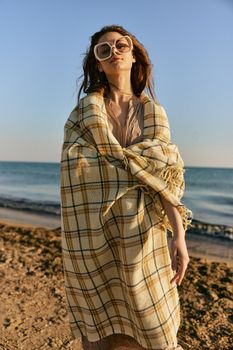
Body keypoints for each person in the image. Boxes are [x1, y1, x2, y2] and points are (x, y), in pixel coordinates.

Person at [60, 24, 192, 350]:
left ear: (134, 55)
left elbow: (165, 180)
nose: (114, 52)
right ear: (98, 64)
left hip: (143, 235)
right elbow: (75, 173)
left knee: (153, 326)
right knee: (100, 330)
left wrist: (180, 237)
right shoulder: (83, 114)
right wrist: (128, 167)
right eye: (103, 50)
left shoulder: (153, 113)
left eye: (121, 45)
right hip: (93, 235)